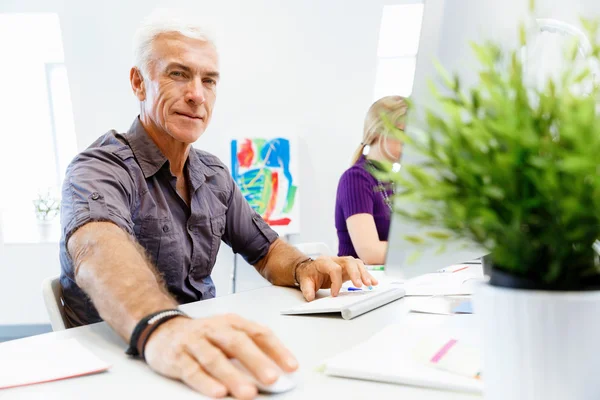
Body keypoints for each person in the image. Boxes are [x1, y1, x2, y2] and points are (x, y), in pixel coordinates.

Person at [58, 10, 377, 400]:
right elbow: (98, 249)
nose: (197, 94)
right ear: (138, 83)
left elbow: (267, 250)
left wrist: (305, 267)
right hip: (120, 364)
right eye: (178, 74)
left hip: (199, 350)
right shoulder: (98, 168)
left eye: (209, 80)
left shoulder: (212, 173)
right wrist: (163, 326)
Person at [334, 96, 408, 264]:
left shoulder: (392, 180)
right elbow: (370, 252)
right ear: (378, 132)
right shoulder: (356, 179)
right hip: (360, 284)